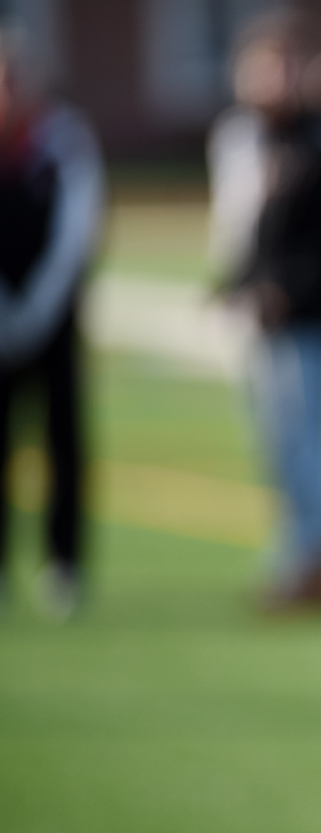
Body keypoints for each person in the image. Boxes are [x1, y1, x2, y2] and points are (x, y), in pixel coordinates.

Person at [207, 12, 321, 610]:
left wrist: (285, 290)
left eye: (283, 67)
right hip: (265, 319)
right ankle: (299, 554)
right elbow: (251, 232)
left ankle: (316, 562)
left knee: (307, 442)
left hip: (306, 319)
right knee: (276, 442)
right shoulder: (253, 138)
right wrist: (237, 284)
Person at [0, 28, 104, 618]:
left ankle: (64, 563)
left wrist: (36, 306)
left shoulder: (61, 140)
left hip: (53, 317)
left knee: (63, 439)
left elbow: (76, 231)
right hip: (3, 316)